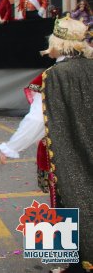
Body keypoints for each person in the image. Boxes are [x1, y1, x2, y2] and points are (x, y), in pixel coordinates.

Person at [36, 16, 92, 273]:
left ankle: (74, 264)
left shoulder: (53, 75)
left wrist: (9, 147)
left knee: (67, 199)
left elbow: (36, 119)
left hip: (67, 150)